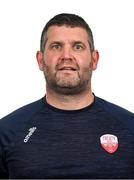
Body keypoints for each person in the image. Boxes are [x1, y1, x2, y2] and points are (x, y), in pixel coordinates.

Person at [0, 13, 134, 179]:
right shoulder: (7, 131)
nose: (66, 56)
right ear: (40, 60)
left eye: (77, 47)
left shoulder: (130, 127)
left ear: (94, 59)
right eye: (56, 46)